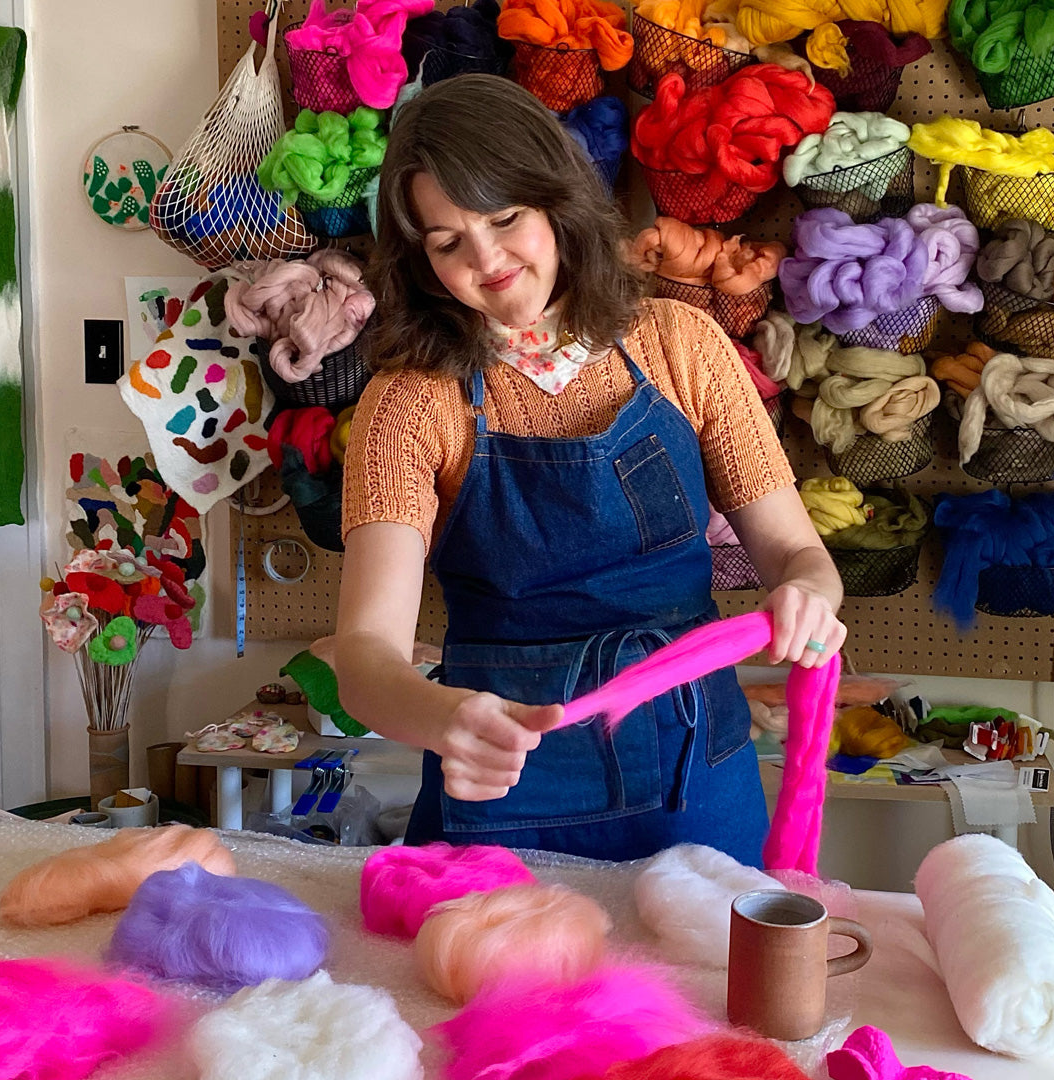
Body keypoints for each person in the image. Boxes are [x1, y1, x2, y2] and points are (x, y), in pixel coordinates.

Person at [336, 74, 846, 867]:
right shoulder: (409, 404)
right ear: (418, 258)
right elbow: (366, 661)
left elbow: (797, 555)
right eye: (447, 243)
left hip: (693, 773)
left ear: (557, 203)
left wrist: (810, 595)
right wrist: (441, 718)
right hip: (502, 790)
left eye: (506, 219)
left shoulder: (682, 345)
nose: (487, 259)